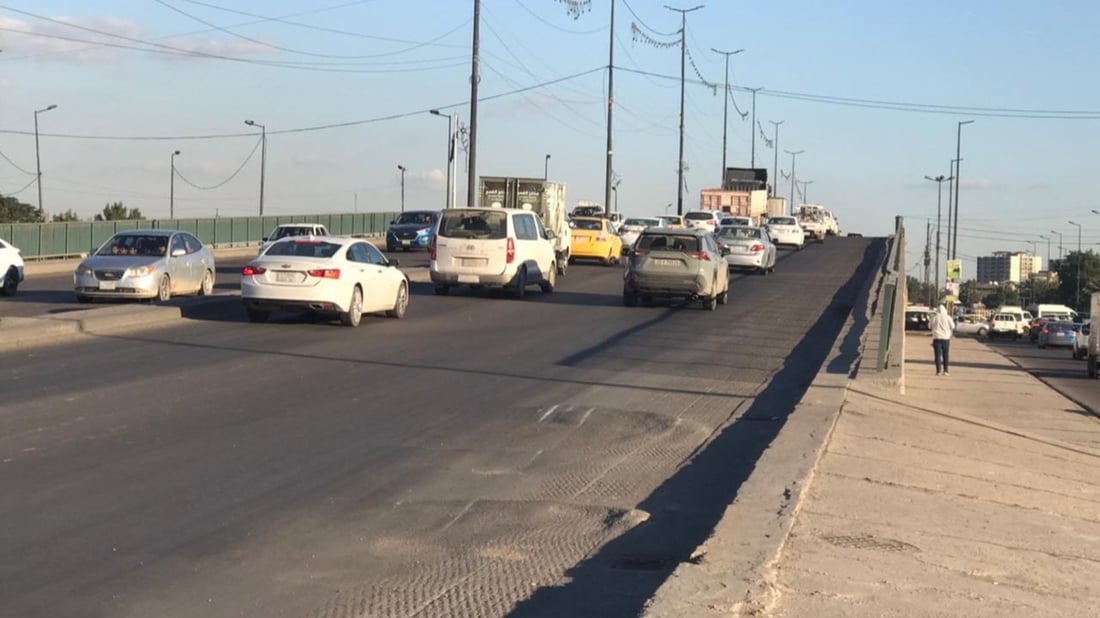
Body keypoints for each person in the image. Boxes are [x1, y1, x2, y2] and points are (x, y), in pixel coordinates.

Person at [929, 303, 955, 376]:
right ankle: (946, 370)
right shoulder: (948, 317)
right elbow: (953, 326)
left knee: (937, 355)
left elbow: (929, 326)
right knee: (945, 355)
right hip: (946, 338)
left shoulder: (934, 317)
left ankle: (938, 371)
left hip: (936, 338)